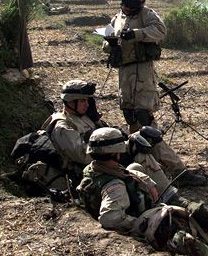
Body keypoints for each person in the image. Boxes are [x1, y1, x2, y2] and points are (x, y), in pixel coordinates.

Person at [103, 0, 206, 186]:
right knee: (132, 121)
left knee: (146, 124)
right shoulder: (118, 18)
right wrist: (111, 43)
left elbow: (160, 31)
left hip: (142, 73)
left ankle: (177, 171)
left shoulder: (147, 15)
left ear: (140, 4)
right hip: (124, 75)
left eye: (131, 4)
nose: (127, 7)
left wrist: (137, 34)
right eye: (125, 3)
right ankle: (146, 167)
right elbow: (105, 44)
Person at [78, 127, 208, 256]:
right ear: (115, 153)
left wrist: (148, 183)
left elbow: (126, 171)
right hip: (142, 217)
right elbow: (110, 218)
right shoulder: (115, 187)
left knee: (134, 168)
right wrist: (145, 221)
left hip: (135, 203)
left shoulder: (94, 169)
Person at [39, 79, 181, 202]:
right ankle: (166, 195)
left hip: (106, 159)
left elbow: (108, 135)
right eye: (82, 101)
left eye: (88, 100)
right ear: (70, 102)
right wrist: (122, 147)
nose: (87, 104)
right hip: (89, 170)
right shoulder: (62, 126)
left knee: (144, 140)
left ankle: (168, 191)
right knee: (138, 153)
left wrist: (98, 121)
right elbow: (84, 156)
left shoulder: (84, 116)